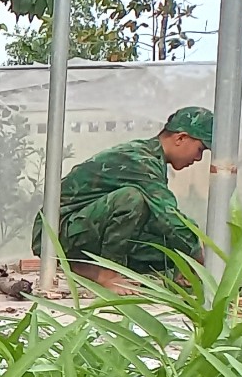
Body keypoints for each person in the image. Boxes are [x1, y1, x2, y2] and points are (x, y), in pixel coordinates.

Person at [41, 107, 206, 274]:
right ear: (181, 138)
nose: (198, 158)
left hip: (80, 229)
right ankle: (107, 273)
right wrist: (202, 261)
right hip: (55, 233)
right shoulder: (141, 160)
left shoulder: (154, 159)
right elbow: (168, 216)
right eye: (200, 149)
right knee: (132, 199)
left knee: (169, 246)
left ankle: (86, 269)